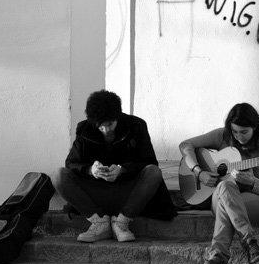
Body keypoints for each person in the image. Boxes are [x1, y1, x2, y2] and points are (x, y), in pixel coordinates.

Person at [179, 102, 259, 264]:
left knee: (226, 203)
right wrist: (199, 173)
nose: (238, 137)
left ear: (256, 127)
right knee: (225, 186)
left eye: (244, 132)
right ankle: (249, 241)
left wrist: (254, 182)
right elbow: (185, 145)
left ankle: (218, 256)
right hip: (223, 195)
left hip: (258, 201)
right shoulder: (223, 135)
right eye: (235, 131)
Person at [57, 89, 175, 242]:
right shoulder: (85, 129)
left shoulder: (136, 126)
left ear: (117, 117)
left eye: (110, 125)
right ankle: (99, 222)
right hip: (96, 191)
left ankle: (122, 222)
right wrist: (90, 170)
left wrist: (123, 170)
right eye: (100, 126)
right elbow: (71, 163)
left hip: (128, 191)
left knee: (153, 172)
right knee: (58, 175)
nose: (106, 130)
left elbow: (149, 162)